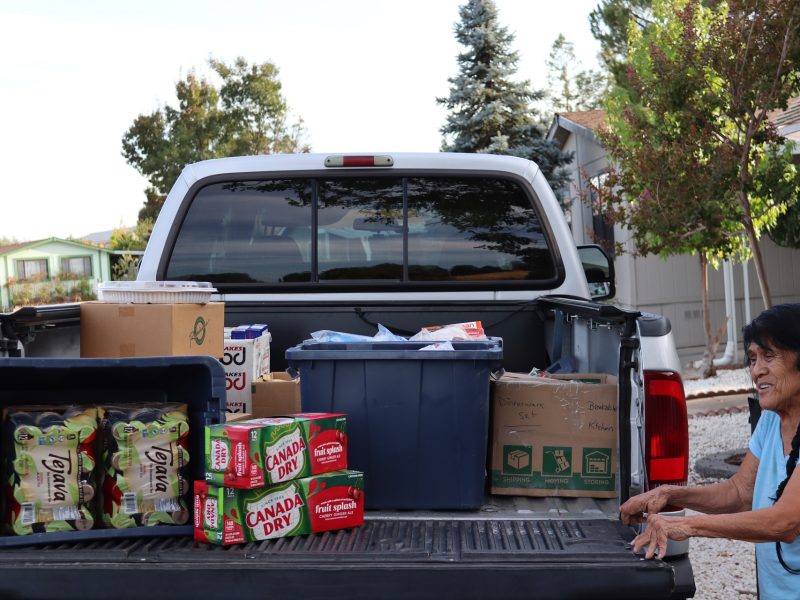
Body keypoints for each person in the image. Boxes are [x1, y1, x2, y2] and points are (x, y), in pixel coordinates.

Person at [620, 303, 800, 599]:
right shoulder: (771, 419)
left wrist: (687, 525)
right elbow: (740, 493)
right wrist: (669, 494)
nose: (757, 370)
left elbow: (785, 522)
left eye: (770, 356)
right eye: (753, 359)